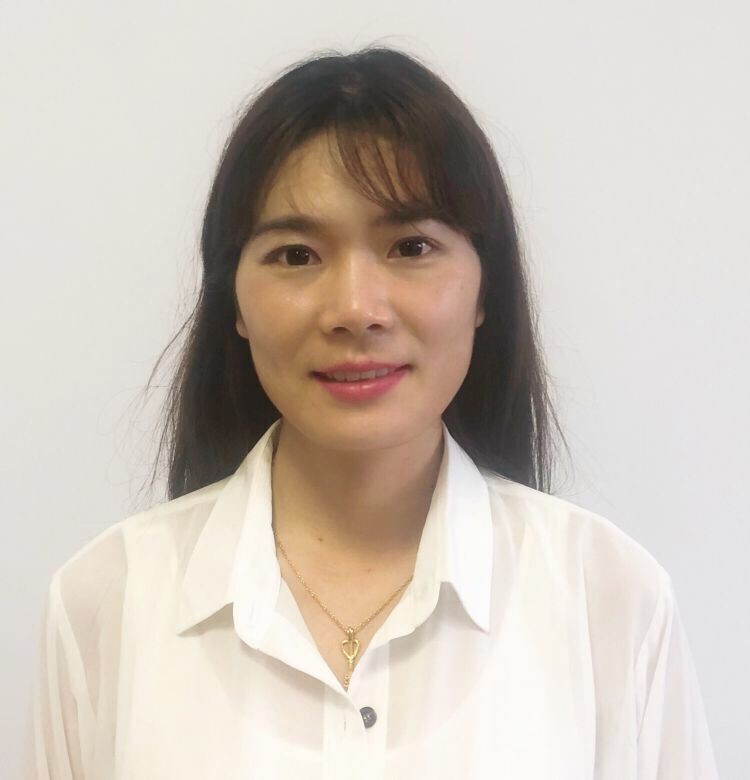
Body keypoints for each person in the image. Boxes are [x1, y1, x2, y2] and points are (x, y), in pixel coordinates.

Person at [21, 46, 719, 778]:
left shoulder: (610, 600)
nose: (355, 309)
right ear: (235, 303)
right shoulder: (107, 603)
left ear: (486, 291)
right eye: (296, 255)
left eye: (411, 246)